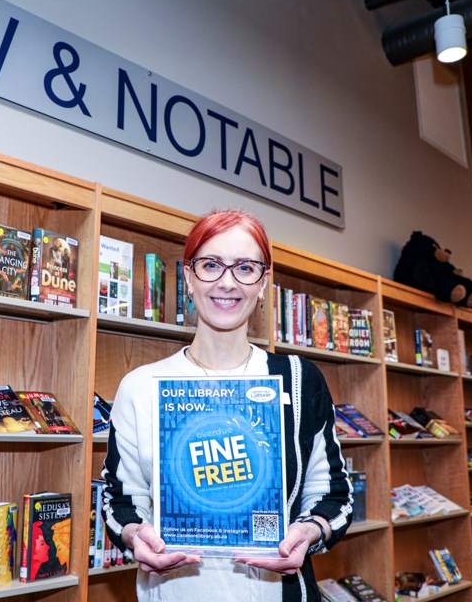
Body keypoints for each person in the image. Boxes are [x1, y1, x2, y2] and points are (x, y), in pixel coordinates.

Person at [101, 209, 353, 602]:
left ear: (264, 282)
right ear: (188, 275)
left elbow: (335, 495)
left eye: (246, 268)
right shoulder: (140, 387)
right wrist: (136, 536)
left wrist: (308, 532)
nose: (227, 282)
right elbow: (119, 502)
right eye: (211, 264)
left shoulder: (298, 380)